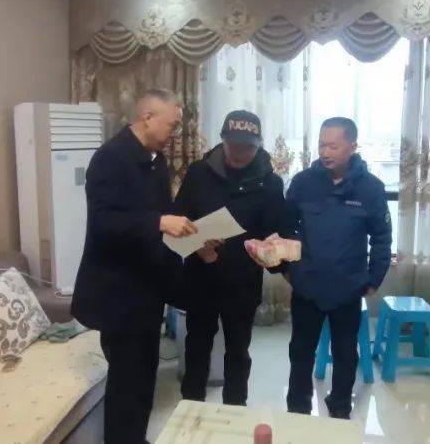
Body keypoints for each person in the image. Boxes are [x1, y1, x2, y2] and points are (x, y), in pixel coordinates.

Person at [70, 88, 196, 444]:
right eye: (172, 125)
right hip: (117, 294)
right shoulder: (109, 158)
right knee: (126, 387)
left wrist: (192, 237)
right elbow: (104, 223)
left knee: (145, 380)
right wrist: (159, 222)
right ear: (147, 117)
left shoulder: (156, 162)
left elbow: (163, 220)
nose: (175, 133)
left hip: (147, 292)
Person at [281, 117, 391, 419]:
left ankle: (340, 407)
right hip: (307, 285)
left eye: (333, 146)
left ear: (352, 146)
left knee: (345, 353)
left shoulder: (371, 188)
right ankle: (298, 407)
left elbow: (382, 238)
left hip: (348, 288)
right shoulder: (303, 183)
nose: (325, 152)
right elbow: (286, 227)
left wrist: (374, 278)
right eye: (321, 145)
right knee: (300, 351)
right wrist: (288, 270)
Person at [173, 110, 286, 405]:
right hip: (201, 276)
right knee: (196, 347)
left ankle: (235, 411)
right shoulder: (199, 174)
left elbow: (275, 232)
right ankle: (191, 408)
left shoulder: (271, 184)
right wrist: (197, 244)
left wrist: (268, 250)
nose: (239, 153)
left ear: (258, 145)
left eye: (247, 147)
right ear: (222, 140)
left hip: (243, 281)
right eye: (233, 145)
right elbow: (177, 220)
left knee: (238, 351)